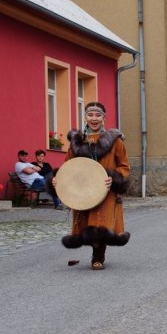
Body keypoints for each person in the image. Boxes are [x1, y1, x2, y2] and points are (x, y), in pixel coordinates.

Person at [55, 102, 130, 270]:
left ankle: (98, 257)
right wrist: (58, 180)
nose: (94, 119)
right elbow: (67, 166)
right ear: (86, 117)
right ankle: (96, 250)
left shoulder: (115, 141)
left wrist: (114, 178)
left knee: (100, 224)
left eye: (98, 115)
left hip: (105, 189)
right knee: (86, 223)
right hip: (83, 190)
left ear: (104, 118)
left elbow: (124, 166)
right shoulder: (78, 141)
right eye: (90, 115)